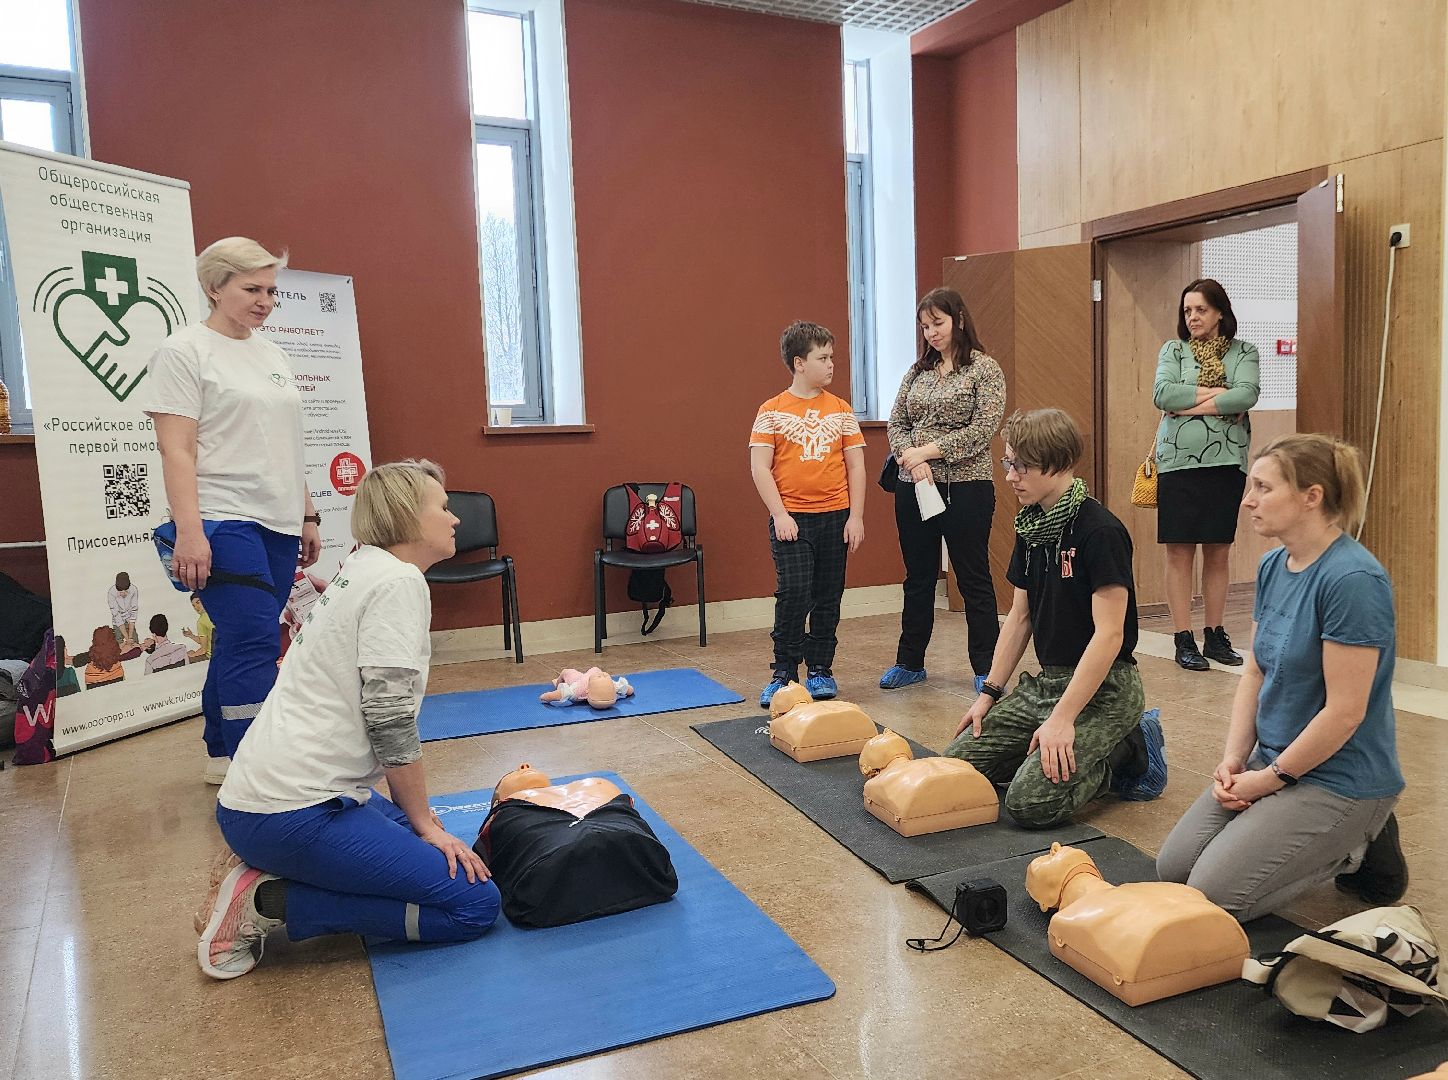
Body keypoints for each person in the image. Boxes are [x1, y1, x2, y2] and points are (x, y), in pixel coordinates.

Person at [196, 459, 500, 980]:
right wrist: (425, 822)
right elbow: (389, 720)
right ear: (408, 516)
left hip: (261, 807)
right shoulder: (399, 582)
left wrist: (424, 825)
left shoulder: (362, 567)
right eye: (443, 509)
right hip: (288, 815)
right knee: (473, 902)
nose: (454, 520)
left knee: (443, 847)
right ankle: (266, 901)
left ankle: (269, 869)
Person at [1157, 435, 1407, 921]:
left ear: (1311, 497)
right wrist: (1234, 761)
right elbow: (1255, 668)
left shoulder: (1354, 582)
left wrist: (1267, 783)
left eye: (1263, 488)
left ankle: (1360, 841)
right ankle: (1304, 830)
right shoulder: (1273, 565)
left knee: (1212, 898)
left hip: (1340, 776)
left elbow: (1344, 713)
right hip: (1271, 759)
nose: (1247, 500)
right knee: (1175, 869)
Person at [141, 237, 322, 784]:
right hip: (221, 515)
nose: (265, 301)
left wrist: (307, 511)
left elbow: (286, 439)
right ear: (214, 287)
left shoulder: (272, 353)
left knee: (248, 633)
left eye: (272, 290)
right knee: (254, 640)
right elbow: (177, 449)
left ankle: (222, 751)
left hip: (278, 516)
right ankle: (256, 768)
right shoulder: (184, 351)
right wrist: (192, 533)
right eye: (252, 289)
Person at [945, 409, 1166, 828]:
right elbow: (1020, 617)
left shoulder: (1099, 530)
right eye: (1008, 462)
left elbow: (1109, 636)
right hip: (1048, 683)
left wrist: (1063, 719)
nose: (1010, 475)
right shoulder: (1031, 528)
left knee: (1029, 805)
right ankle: (1054, 751)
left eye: (1021, 465)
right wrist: (987, 695)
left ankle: (1130, 748)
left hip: (1105, 689)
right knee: (958, 765)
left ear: (1057, 462)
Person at [881, 288, 1005, 691]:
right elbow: (896, 423)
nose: (931, 333)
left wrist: (927, 453)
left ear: (959, 320)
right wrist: (910, 461)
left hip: (966, 485)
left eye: (938, 323)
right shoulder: (916, 372)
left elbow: (983, 428)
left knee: (972, 576)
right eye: (925, 326)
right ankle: (910, 661)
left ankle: (987, 667)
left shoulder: (984, 369)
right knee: (917, 576)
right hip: (912, 485)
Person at [749, 320, 866, 707]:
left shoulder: (841, 410)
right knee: (794, 594)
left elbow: (856, 467)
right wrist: (780, 515)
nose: (832, 364)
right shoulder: (771, 411)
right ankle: (784, 672)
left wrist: (856, 517)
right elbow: (760, 467)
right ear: (800, 363)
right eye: (823, 357)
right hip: (792, 520)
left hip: (835, 517)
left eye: (831, 356)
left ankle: (820, 669)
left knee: (828, 595)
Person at [1152, 278, 1260, 671]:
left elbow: (1246, 395)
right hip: (1177, 465)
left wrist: (1190, 404)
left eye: (1200, 309)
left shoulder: (1244, 351)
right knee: (1179, 552)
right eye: (1187, 310)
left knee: (1218, 551)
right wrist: (1218, 396)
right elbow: (1164, 395)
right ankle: (1184, 638)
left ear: (1219, 313)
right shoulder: (1173, 350)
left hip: (1226, 464)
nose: (1192, 317)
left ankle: (1214, 635)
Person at [107, 572, 140, 650]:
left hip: (129, 619)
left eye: (125, 591)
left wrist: (130, 637)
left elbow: (134, 612)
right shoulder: (111, 592)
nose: (123, 593)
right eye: (120, 591)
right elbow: (117, 616)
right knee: (118, 645)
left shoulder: (134, 589)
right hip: (118, 623)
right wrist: (127, 639)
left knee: (135, 644)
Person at [183, 593, 213, 662]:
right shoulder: (216, 615)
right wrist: (191, 636)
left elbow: (203, 650)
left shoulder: (201, 621)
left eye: (198, 602)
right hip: (221, 652)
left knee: (188, 654)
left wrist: (190, 656)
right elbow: (207, 641)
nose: (196, 607)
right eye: (194, 605)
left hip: (210, 655)